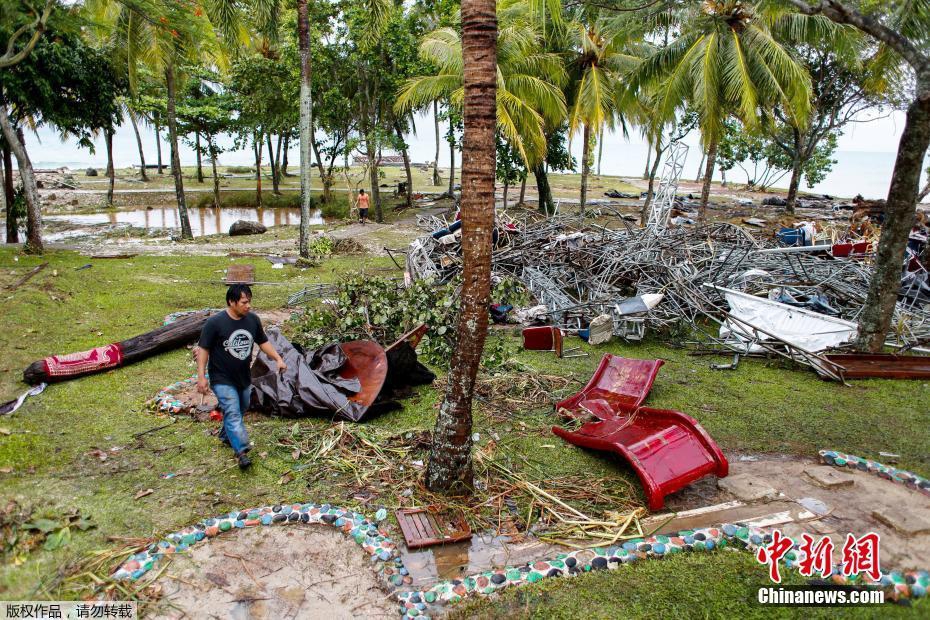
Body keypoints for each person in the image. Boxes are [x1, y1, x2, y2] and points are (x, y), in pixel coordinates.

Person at [196, 284, 286, 469]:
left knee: (242, 406)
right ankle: (242, 451)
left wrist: (278, 358)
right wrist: (201, 376)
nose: (248, 306)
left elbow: (263, 342)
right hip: (221, 377)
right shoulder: (215, 323)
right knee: (232, 411)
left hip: (243, 376)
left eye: (249, 301)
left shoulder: (252, 320)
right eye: (244, 302)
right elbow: (203, 349)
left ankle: (225, 435)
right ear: (232, 302)